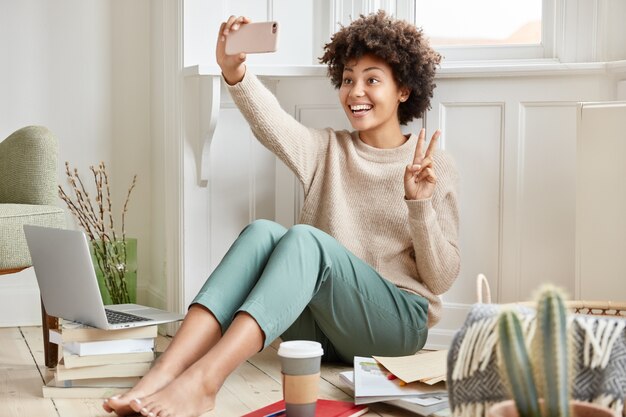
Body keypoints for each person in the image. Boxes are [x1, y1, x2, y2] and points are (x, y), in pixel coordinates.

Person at [103, 10, 460, 417]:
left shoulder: (433, 165)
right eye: (347, 78)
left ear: (404, 90)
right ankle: (165, 371)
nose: (355, 91)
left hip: (396, 326)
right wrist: (233, 70)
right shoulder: (328, 150)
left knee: (303, 239)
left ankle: (205, 382)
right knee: (261, 233)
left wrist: (419, 205)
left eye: (372, 79)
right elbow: (269, 121)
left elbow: (442, 276)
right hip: (324, 333)